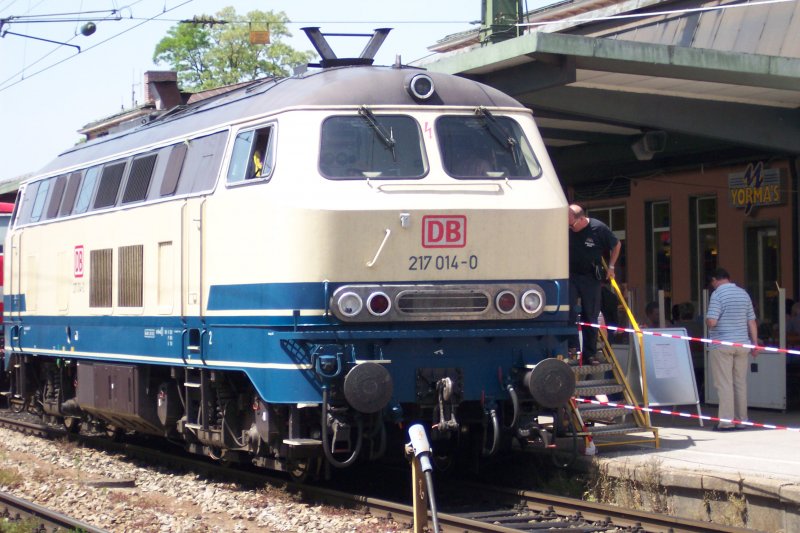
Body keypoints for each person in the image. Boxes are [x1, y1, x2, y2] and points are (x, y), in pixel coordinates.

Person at [705, 267, 758, 431]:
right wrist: (754, 344)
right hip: (743, 344)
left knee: (724, 384)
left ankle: (726, 422)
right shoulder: (744, 294)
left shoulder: (718, 294)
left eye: (712, 282)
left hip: (723, 344)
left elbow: (712, 321)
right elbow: (752, 322)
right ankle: (742, 420)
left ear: (715, 280)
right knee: (740, 383)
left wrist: (708, 321)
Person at [568, 204, 622, 364]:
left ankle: (590, 354)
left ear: (582, 219)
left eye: (572, 225)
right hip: (570, 276)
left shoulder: (598, 228)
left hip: (591, 277)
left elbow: (616, 244)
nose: (571, 228)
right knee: (568, 312)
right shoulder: (566, 228)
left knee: (590, 315)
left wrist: (611, 267)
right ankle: (571, 349)